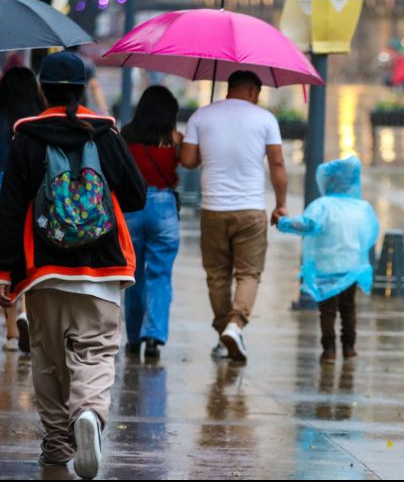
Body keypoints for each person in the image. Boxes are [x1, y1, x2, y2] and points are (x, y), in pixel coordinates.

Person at [0, 51, 146, 479]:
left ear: (44, 89)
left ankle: (57, 443)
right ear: (82, 89)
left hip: (45, 271)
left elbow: (9, 211)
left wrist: (6, 272)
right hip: (104, 270)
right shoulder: (105, 135)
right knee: (96, 350)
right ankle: (89, 412)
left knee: (48, 360)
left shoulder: (26, 138)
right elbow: (136, 195)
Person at [181, 70, 288, 363]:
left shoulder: (201, 117)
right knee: (248, 274)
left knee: (217, 276)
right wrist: (281, 204)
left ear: (229, 88)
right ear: (253, 90)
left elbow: (188, 162)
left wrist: (205, 149)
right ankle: (235, 325)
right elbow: (277, 162)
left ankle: (222, 335)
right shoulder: (265, 119)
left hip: (213, 209)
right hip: (251, 210)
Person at [277, 156, 379, 364]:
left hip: (326, 266)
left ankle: (329, 349)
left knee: (327, 310)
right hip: (352, 267)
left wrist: (283, 223)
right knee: (349, 307)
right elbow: (369, 234)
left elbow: (306, 225)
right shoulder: (361, 208)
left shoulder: (322, 206)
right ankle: (349, 347)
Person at [121, 86, 183, 359]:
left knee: (133, 276)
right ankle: (154, 336)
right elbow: (179, 169)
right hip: (164, 208)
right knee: (161, 275)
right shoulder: (174, 138)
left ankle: (133, 337)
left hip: (131, 207)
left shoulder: (126, 135)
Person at [0, 66, 45, 353]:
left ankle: (12, 330)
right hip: (28, 186)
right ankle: (27, 310)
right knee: (29, 248)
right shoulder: (36, 120)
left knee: (4, 253)